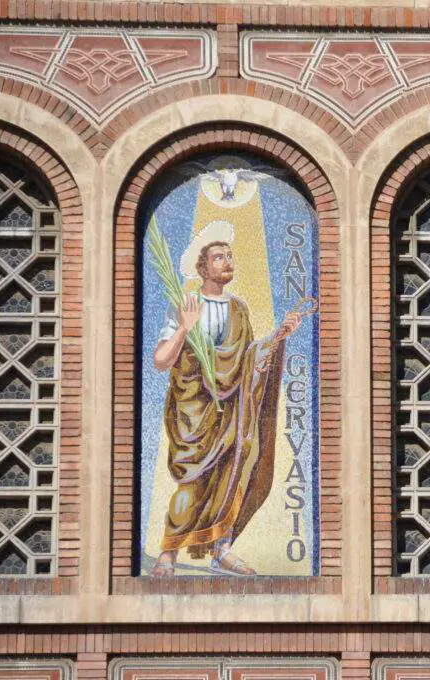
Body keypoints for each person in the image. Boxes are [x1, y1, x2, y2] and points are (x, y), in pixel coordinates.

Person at [149, 221, 303, 577]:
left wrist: (278, 335)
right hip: (194, 411)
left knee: (231, 475)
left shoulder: (239, 309)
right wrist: (186, 326)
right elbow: (161, 360)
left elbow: (249, 358)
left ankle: (222, 549)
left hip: (232, 409)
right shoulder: (186, 304)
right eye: (219, 257)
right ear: (203, 267)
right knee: (193, 480)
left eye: (230, 255)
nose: (227, 261)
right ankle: (169, 552)